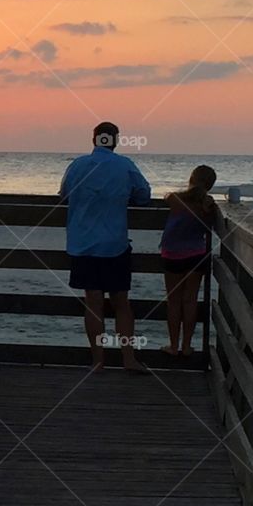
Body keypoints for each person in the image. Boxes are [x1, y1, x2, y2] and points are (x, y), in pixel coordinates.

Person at [59, 121, 151, 374]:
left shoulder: (77, 165)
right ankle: (128, 359)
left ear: (94, 139)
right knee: (121, 302)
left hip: (83, 243)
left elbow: (64, 194)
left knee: (93, 303)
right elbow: (144, 195)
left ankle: (97, 361)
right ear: (115, 140)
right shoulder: (125, 165)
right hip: (114, 244)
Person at [160, 165, 218, 357]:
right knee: (190, 300)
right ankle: (186, 346)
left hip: (172, 254)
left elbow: (167, 197)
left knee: (174, 301)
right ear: (210, 185)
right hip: (197, 254)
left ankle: (174, 345)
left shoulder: (176, 199)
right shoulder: (207, 205)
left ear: (190, 179)